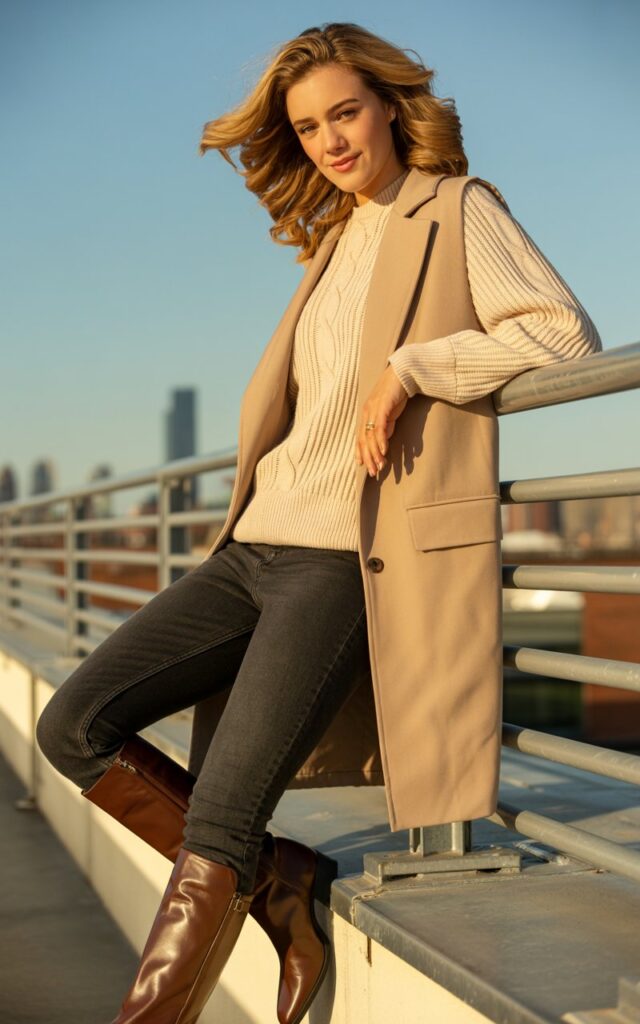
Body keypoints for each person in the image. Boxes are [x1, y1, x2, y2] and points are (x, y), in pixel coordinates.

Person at [35, 20, 602, 1024]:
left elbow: (560, 331)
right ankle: (280, 874)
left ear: (388, 104)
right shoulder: (334, 238)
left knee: (217, 820)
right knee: (74, 723)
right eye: (308, 127)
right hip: (254, 543)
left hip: (341, 560)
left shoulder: (454, 209)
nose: (332, 141)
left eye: (345, 111)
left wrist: (416, 368)